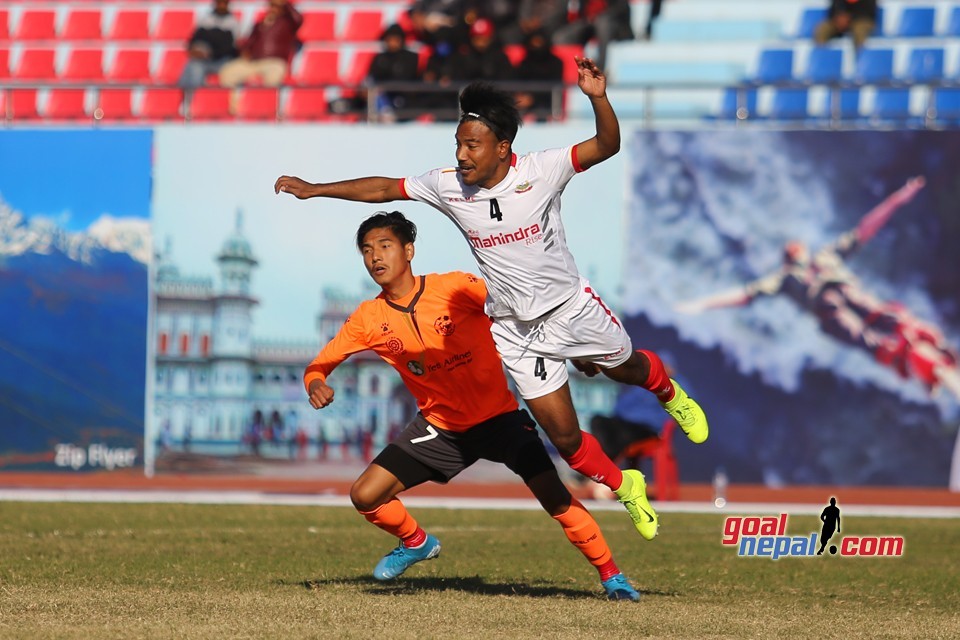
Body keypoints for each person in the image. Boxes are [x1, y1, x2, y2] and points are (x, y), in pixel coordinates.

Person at [275, 66, 710, 540]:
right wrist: (316, 189)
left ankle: (672, 397)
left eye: (471, 145)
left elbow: (607, 145)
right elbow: (384, 188)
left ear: (502, 147)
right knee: (565, 440)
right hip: (518, 332)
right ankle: (625, 485)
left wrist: (598, 99)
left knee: (622, 369)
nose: (461, 156)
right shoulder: (448, 187)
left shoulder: (543, 170)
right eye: (457, 145)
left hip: (569, 308)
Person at [305, 211, 641, 600]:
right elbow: (320, 364)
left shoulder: (455, 287)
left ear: (408, 250)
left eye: (385, 246)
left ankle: (612, 577)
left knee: (556, 498)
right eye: (367, 250)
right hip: (440, 429)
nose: (375, 257)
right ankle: (416, 542)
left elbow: (520, 312)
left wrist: (575, 349)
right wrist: (316, 382)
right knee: (364, 495)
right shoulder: (368, 318)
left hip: (499, 420)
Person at [674, 176, 960, 400]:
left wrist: (898, 199)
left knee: (896, 323)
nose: (796, 252)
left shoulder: (826, 257)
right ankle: (920, 366)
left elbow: (865, 229)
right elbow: (744, 295)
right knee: (874, 342)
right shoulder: (785, 279)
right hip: (831, 312)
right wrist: (702, 304)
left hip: (848, 297)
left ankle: (935, 357)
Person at [218, 0, 302, 88]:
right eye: (272, 5)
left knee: (273, 77)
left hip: (274, 62)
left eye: (277, 6)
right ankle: (236, 101)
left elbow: (298, 19)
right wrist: (244, 50)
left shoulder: (287, 23)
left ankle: (267, 101)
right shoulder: (260, 25)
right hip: (253, 62)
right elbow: (249, 42)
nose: (274, 8)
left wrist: (285, 4)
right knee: (228, 72)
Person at [552, 0, 633, 71]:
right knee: (561, 37)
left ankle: (599, 69)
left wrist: (598, 17)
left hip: (613, 24)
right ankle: (573, 70)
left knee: (603, 24)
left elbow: (621, 9)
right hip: (589, 23)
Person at [178, 0, 241, 89]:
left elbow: (229, 48)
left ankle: (195, 96)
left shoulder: (233, 23)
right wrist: (193, 50)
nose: (221, 5)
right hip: (204, 58)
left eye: (224, 3)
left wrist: (208, 54)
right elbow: (194, 39)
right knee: (192, 64)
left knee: (197, 68)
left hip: (222, 60)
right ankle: (182, 95)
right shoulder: (206, 19)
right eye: (219, 3)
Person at [366, 23, 422, 122]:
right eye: (390, 39)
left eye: (395, 39)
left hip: (405, 98)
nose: (392, 43)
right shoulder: (379, 58)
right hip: (383, 95)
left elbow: (410, 78)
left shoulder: (411, 58)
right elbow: (372, 77)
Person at [514, 28, 565, 121]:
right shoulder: (524, 64)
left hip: (547, 102)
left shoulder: (556, 63)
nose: (536, 46)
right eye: (533, 43)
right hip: (524, 103)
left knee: (541, 112)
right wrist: (520, 98)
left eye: (539, 43)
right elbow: (517, 85)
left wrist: (532, 98)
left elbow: (555, 88)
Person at [814, 0, 878, 55]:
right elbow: (832, 10)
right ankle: (822, 59)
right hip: (840, 21)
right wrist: (839, 17)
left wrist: (849, 17)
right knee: (823, 28)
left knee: (859, 30)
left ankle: (861, 61)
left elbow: (869, 12)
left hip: (862, 21)